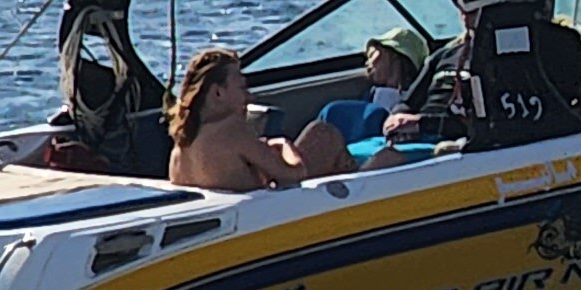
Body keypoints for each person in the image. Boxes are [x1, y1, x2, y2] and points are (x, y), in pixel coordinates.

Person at [166, 47, 346, 190]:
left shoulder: (182, 142)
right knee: (323, 133)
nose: (249, 96)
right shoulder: (232, 130)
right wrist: (285, 145)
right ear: (218, 92)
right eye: (242, 87)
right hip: (271, 215)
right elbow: (295, 175)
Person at [312, 30, 434, 150]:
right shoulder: (369, 97)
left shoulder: (420, 99)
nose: (367, 63)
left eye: (372, 55)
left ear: (393, 55)